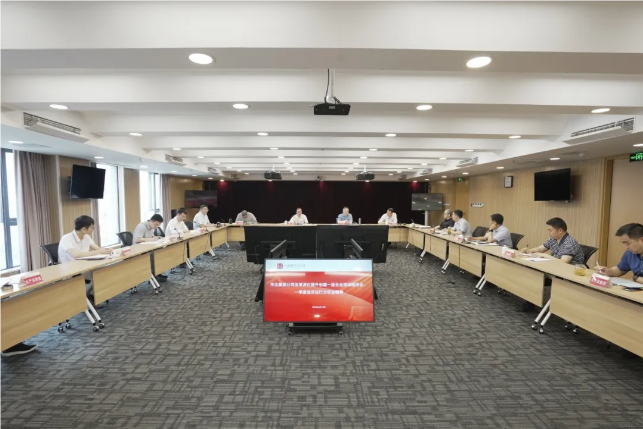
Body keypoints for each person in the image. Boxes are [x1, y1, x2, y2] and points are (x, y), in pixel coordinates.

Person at [133, 214, 167, 283]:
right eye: (156, 224)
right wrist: (151, 239)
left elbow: (151, 237)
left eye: (158, 225)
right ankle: (153, 276)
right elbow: (137, 239)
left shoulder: (152, 227)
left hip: (147, 248)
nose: (156, 227)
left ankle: (157, 273)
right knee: (153, 257)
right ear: (151, 221)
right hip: (138, 249)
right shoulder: (141, 226)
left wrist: (157, 237)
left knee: (160, 253)